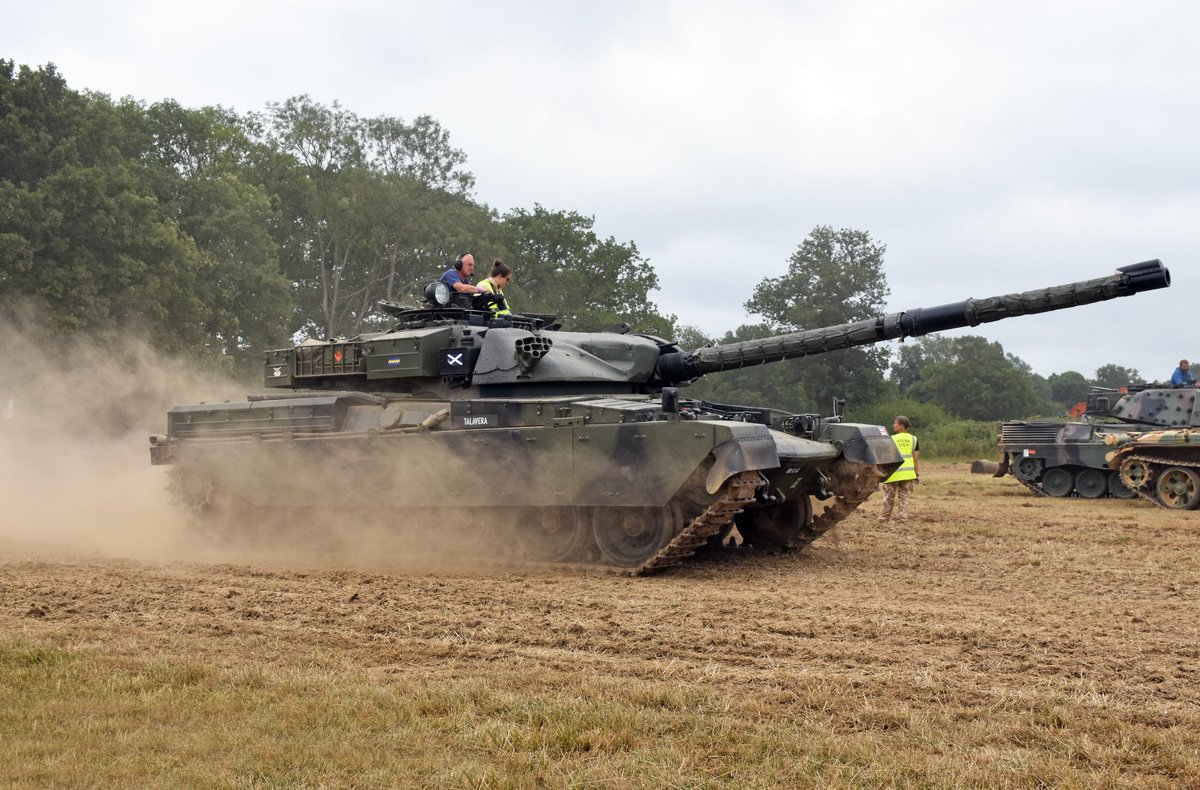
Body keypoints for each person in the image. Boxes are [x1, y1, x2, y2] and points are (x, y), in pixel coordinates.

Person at [878, 415, 919, 525]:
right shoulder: (913, 439)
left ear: (901, 425)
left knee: (888, 498)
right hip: (908, 474)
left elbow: (885, 457)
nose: (893, 425)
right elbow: (915, 459)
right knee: (904, 498)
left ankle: (883, 519)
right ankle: (901, 520)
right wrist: (916, 474)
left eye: (895, 423)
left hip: (892, 473)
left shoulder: (891, 439)